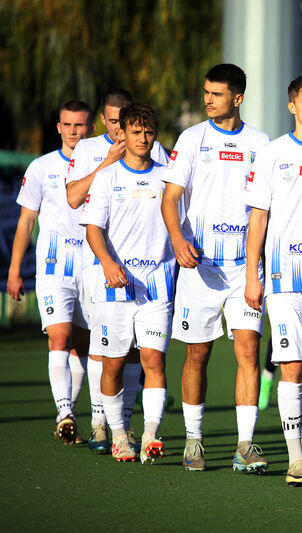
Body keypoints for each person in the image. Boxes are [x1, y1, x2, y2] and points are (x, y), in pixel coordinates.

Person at [162, 63, 270, 472]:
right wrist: (177, 239)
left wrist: (256, 268)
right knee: (197, 356)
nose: (207, 99)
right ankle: (194, 440)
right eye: (206, 92)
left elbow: (265, 208)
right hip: (199, 269)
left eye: (217, 94)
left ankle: (245, 444)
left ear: (237, 98)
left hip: (244, 268)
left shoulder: (261, 143)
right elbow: (170, 198)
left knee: (248, 350)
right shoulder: (191, 139)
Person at [243, 74, 302, 486]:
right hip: (284, 280)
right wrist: (253, 274)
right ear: (292, 107)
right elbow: (258, 216)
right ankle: (296, 459)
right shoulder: (272, 154)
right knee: (291, 368)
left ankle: (299, 417)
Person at [65, 88, 168, 453]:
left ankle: (151, 433)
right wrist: (108, 264)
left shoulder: (167, 177)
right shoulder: (107, 176)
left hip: (156, 284)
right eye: (136, 132)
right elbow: (92, 227)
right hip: (115, 284)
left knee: (153, 359)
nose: (143, 139)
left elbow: (179, 223)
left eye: (149, 132)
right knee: (112, 362)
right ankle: (118, 433)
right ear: (121, 133)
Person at [7, 100, 94, 444]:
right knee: (59, 337)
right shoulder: (41, 168)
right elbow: (26, 221)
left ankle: (66, 414)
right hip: (54, 266)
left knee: (81, 344)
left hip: (91, 265)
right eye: (68, 125)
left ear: (91, 129)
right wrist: (15, 271)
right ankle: (65, 412)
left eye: (80, 125)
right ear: (58, 127)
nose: (74, 131)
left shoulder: (103, 165)